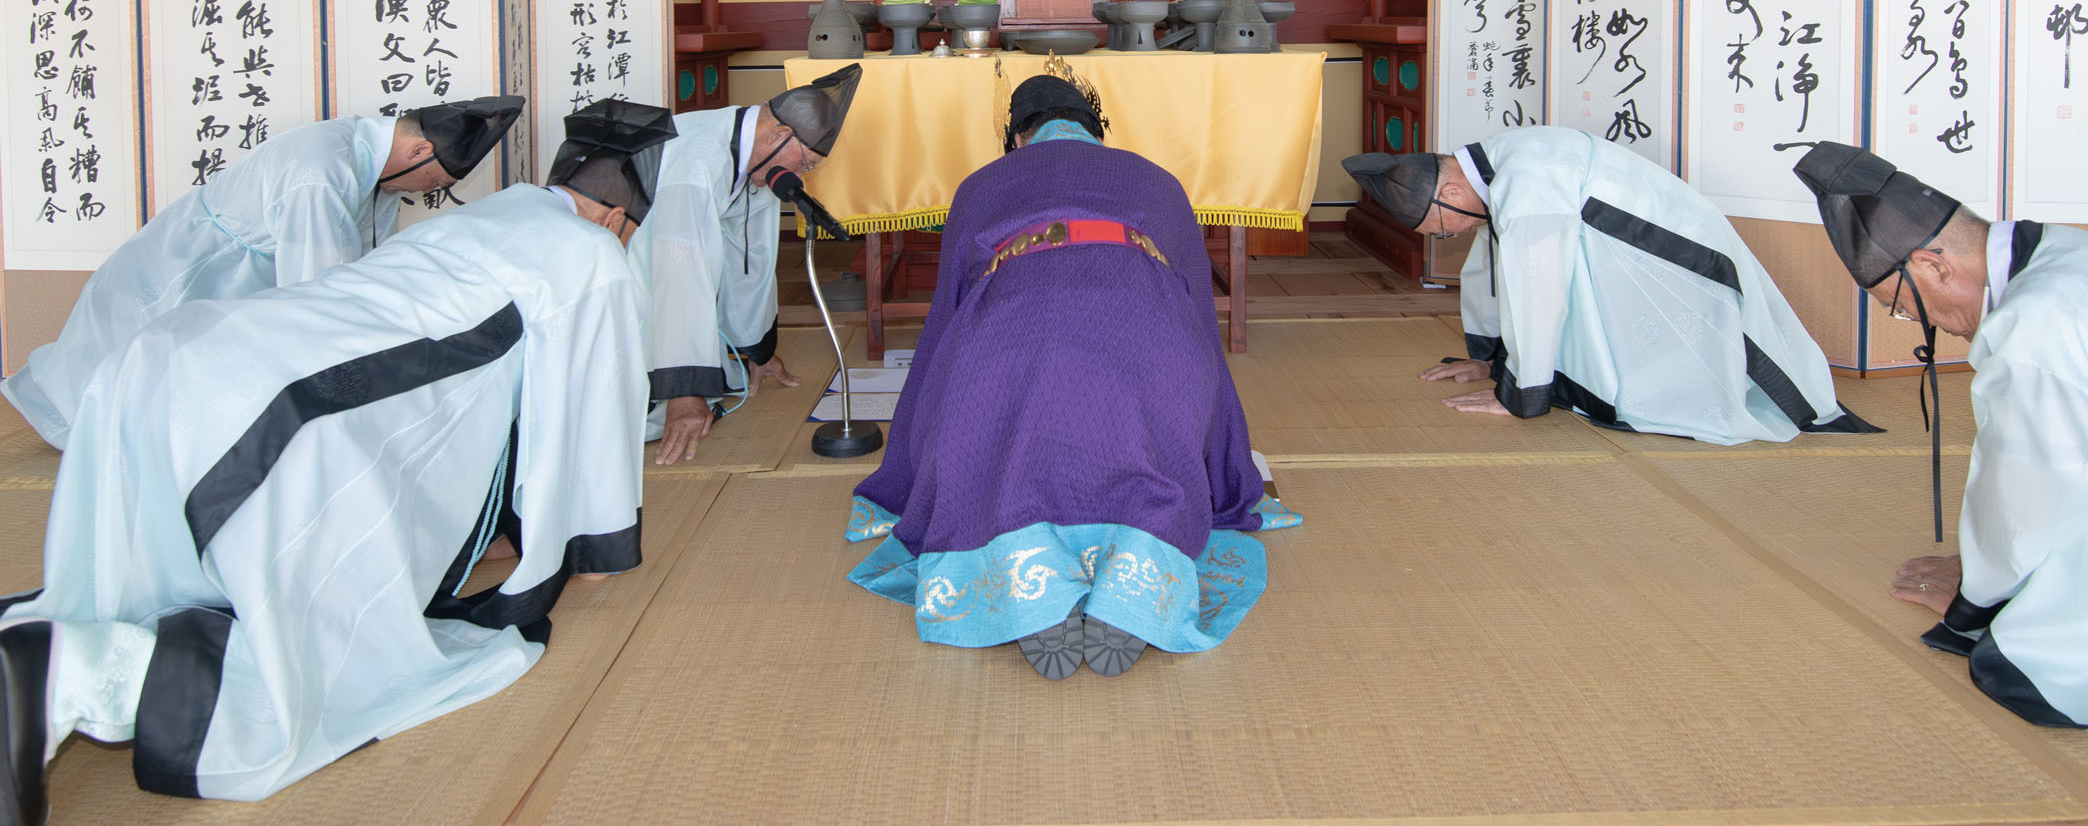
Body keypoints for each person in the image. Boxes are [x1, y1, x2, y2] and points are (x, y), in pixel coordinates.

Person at [0, 119, 665, 814]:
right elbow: (597, 398)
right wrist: (595, 546)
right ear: (614, 219)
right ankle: (71, 673)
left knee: (145, 574)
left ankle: (59, 637)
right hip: (298, 410)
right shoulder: (591, 251)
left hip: (181, 356)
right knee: (323, 654)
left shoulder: (485, 213)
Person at [845, 62, 1299, 681]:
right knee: (1158, 436)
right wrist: (1226, 463)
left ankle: (1027, 583)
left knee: (984, 441)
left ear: (1019, 137)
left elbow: (946, 315)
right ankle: (1136, 582)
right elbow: (1196, 310)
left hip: (1013, 339)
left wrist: (914, 454)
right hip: (1148, 339)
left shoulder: (981, 184)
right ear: (1095, 130)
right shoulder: (1157, 180)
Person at [2, 97, 524, 450]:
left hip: (224, 279)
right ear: (419, 150)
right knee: (111, 393)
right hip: (180, 273)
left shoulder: (368, 161)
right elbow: (318, 296)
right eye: (434, 180)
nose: (427, 192)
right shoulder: (320, 175)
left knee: (158, 392)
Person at [1795, 141, 2088, 729]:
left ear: (1934, 266)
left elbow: (2035, 496)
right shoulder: (2067, 248)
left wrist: (1981, 595)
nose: (1920, 321)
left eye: (1903, 306)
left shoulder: (2031, 333)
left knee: (2044, 645)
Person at [1344, 126, 1876, 443]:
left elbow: (1537, 292)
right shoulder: (1497, 161)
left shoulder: (1526, 179)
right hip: (1642, 257)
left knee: (1652, 394)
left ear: (1450, 192)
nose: (1453, 235)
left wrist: (1519, 395)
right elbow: (1494, 270)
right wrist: (1493, 361)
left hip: (1677, 264)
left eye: (1443, 228)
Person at [630, 66, 862, 464]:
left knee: (728, 378)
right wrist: (684, 393)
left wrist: (755, 348)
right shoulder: (697, 166)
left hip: (668, 273)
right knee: (639, 418)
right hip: (626, 270)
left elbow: (749, 256)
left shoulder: (751, 149)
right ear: (778, 134)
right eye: (804, 164)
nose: (799, 175)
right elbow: (679, 274)